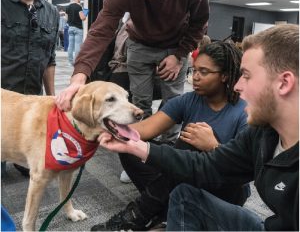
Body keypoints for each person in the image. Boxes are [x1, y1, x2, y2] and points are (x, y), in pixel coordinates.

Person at [98, 24, 299, 231]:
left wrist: (212, 145)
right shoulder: (262, 133)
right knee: (177, 182)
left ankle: (146, 214)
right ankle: (157, 210)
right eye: (195, 70)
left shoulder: (248, 117)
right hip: (208, 180)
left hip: (228, 190)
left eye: (247, 75)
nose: (239, 86)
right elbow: (206, 164)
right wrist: (122, 139)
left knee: (189, 145)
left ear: (284, 83)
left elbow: (225, 173)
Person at [56, 0, 209, 143]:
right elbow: (101, 29)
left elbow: (199, 24)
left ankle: (169, 150)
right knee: (140, 102)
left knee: (173, 102)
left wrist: (180, 55)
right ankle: (136, 150)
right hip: (139, 44)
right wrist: (79, 76)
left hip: (176, 46)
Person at [92, 41, 250, 231]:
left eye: (204, 72)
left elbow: (243, 171)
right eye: (194, 71)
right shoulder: (189, 100)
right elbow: (144, 129)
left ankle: (139, 215)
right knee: (129, 143)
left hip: (224, 188)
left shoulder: (245, 112)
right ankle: (163, 213)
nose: (196, 78)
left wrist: (213, 146)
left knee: (189, 141)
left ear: (224, 76)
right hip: (181, 179)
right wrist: (104, 128)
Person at [1, 0, 63, 176]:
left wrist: (53, 102)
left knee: (37, 169)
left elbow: (49, 60)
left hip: (31, 109)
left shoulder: (51, 13)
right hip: (1, 107)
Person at [65, 0, 87, 65]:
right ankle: (76, 62)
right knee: (78, 45)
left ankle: (70, 61)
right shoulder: (79, 7)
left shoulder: (67, 7)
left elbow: (66, 19)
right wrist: (85, 14)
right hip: (78, 28)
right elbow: (82, 18)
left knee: (70, 45)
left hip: (70, 28)